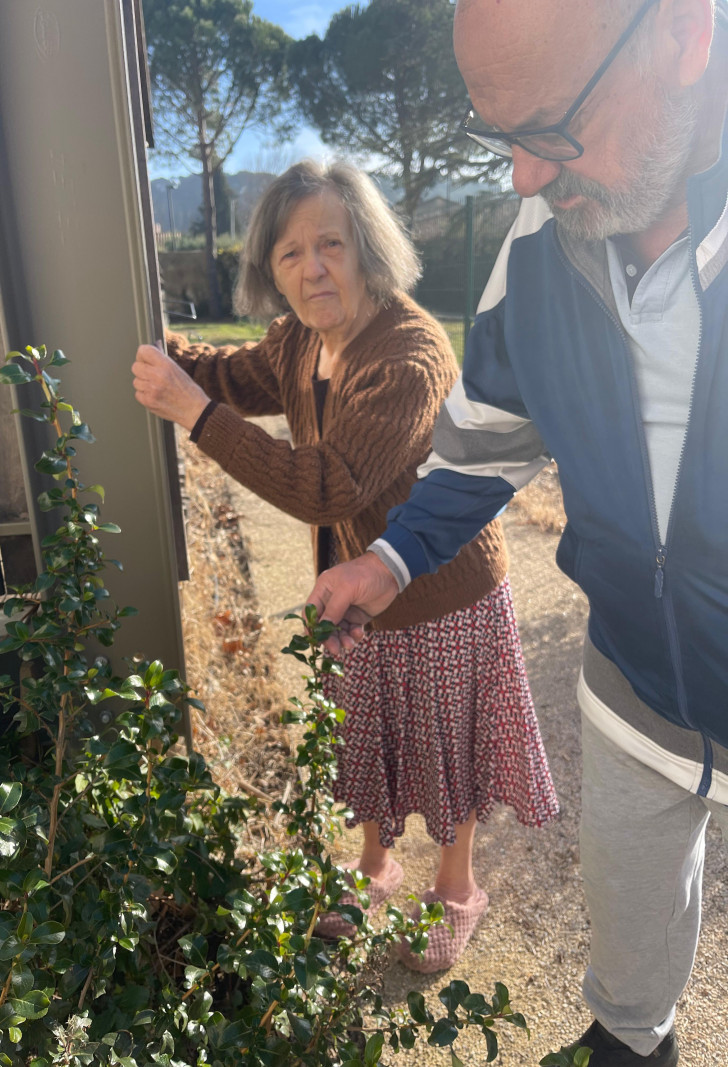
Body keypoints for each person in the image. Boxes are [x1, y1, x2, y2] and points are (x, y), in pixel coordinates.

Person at [306, 0, 728, 1063]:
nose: (522, 181)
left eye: (547, 130)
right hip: (635, 679)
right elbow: (484, 441)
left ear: (683, 35)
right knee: (628, 927)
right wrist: (389, 556)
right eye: (499, 140)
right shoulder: (541, 242)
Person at [132, 159, 558, 972]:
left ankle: (458, 888)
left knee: (443, 749)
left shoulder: (409, 354)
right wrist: (167, 356)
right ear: (270, 270)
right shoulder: (300, 339)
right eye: (289, 253)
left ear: (366, 245)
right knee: (363, 734)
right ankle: (373, 867)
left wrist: (195, 413)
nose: (312, 267)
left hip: (440, 593)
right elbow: (231, 374)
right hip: (355, 593)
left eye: (330, 242)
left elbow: (327, 485)